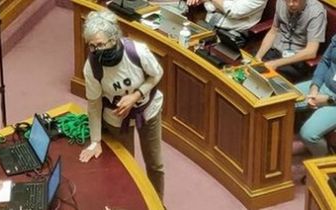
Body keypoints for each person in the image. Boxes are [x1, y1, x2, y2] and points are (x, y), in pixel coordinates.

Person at [78, 10, 165, 200]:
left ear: (114, 38)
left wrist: (136, 95)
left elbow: (157, 74)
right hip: (117, 118)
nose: (97, 50)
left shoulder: (138, 51)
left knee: (155, 164)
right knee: (126, 167)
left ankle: (157, 202)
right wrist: (95, 141)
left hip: (148, 110)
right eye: (92, 46)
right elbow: (94, 105)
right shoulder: (92, 67)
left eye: (101, 44)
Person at [255, 0, 327, 83]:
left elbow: (311, 51)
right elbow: (273, 31)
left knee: (266, 83)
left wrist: (275, 63)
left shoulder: (316, 12)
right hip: (273, 51)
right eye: (287, 0)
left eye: (295, 0)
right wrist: (258, 57)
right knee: (247, 71)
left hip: (294, 61)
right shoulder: (281, 2)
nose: (290, 4)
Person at [295, 34, 336, 157]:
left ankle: (325, 170)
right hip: (323, 86)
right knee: (281, 100)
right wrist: (314, 87)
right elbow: (325, 61)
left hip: (333, 101)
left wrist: (329, 100)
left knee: (309, 134)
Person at [186, 0, 268, 32]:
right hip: (208, 23)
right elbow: (209, 7)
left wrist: (214, 3)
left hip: (231, 34)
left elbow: (233, 12)